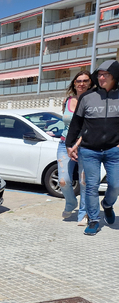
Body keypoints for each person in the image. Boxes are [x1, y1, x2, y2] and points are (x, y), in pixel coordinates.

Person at [66, 60, 119, 236]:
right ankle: (94, 220)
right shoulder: (87, 97)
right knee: (91, 186)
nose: (101, 77)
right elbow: (76, 123)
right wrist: (69, 144)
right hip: (89, 150)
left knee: (115, 185)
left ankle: (108, 205)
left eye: (106, 74)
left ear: (114, 76)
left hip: (114, 150)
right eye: (100, 74)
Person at [59, 71, 91, 226]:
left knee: (84, 181)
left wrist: (77, 145)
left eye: (85, 81)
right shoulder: (67, 100)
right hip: (64, 144)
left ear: (90, 83)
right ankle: (71, 203)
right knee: (63, 180)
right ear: (74, 83)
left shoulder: (94, 101)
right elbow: (65, 122)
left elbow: (91, 127)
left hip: (85, 145)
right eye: (78, 80)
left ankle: (84, 213)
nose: (81, 83)